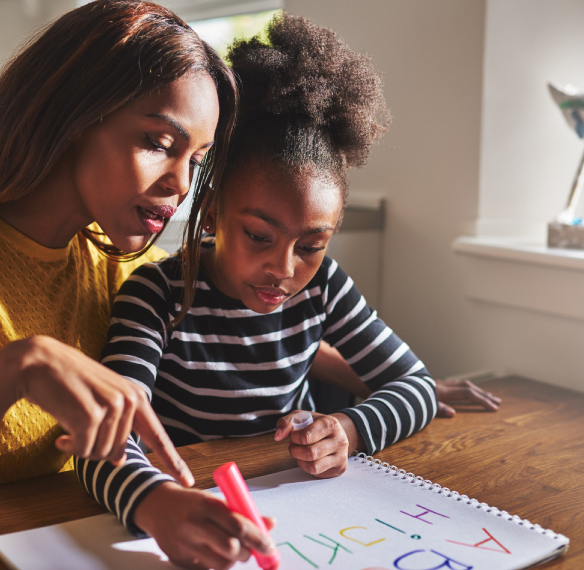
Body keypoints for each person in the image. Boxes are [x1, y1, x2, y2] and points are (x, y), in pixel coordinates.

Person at [0, 0, 243, 560]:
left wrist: (341, 400)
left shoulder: (113, 262)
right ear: (74, 117)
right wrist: (16, 369)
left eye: (196, 161)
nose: (180, 184)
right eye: (159, 143)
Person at [77, 13, 449, 570]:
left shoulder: (322, 287)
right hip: (192, 512)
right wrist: (157, 502)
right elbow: (105, 442)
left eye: (312, 244)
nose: (283, 268)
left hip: (300, 513)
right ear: (217, 207)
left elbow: (417, 387)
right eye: (258, 235)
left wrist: (346, 429)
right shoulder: (156, 294)